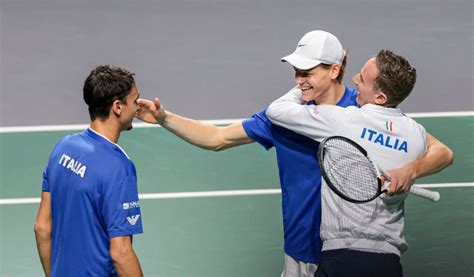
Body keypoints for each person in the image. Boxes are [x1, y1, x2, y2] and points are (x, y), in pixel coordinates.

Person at [135, 31, 453, 276]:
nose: (299, 81)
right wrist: (165, 118)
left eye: (308, 72)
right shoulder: (286, 116)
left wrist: (412, 170)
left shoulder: (363, 111)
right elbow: (217, 137)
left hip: (349, 250)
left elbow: (438, 149)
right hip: (300, 251)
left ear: (334, 70)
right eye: (296, 73)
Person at [266, 49, 453, 276]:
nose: (354, 79)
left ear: (380, 98)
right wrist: (411, 169)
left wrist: (306, 82)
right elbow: (445, 153)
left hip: (342, 256)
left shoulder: (343, 120)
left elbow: (276, 111)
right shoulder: (415, 134)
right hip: (388, 262)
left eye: (361, 79)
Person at [34, 65, 144, 276]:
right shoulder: (119, 168)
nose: (138, 108)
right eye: (135, 101)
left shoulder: (62, 147)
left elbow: (42, 227)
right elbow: (121, 253)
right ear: (118, 107)